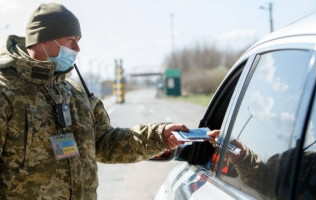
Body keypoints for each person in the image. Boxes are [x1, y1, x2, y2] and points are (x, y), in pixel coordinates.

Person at [0, 3, 189, 200]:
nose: (77, 48)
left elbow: (105, 143)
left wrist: (159, 136)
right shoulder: (6, 91)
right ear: (43, 39)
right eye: (71, 40)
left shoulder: (75, 92)